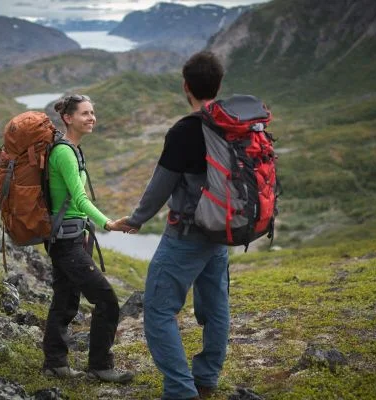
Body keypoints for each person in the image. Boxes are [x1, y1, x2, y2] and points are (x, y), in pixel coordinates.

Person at [114, 52, 229, 399]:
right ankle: (206, 379)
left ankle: (181, 390)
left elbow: (160, 188)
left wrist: (134, 221)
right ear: (219, 84)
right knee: (215, 306)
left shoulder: (185, 130)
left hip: (187, 233)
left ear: (186, 87)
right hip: (222, 229)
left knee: (159, 310)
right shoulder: (235, 123)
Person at [41, 94, 135, 384]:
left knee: (66, 299)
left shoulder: (72, 149)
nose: (91, 117)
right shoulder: (65, 153)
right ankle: (100, 366)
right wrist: (107, 222)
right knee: (107, 300)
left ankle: (55, 363)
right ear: (68, 118)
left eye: (93, 112)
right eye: (84, 113)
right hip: (66, 243)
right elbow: (79, 198)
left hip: (69, 238)